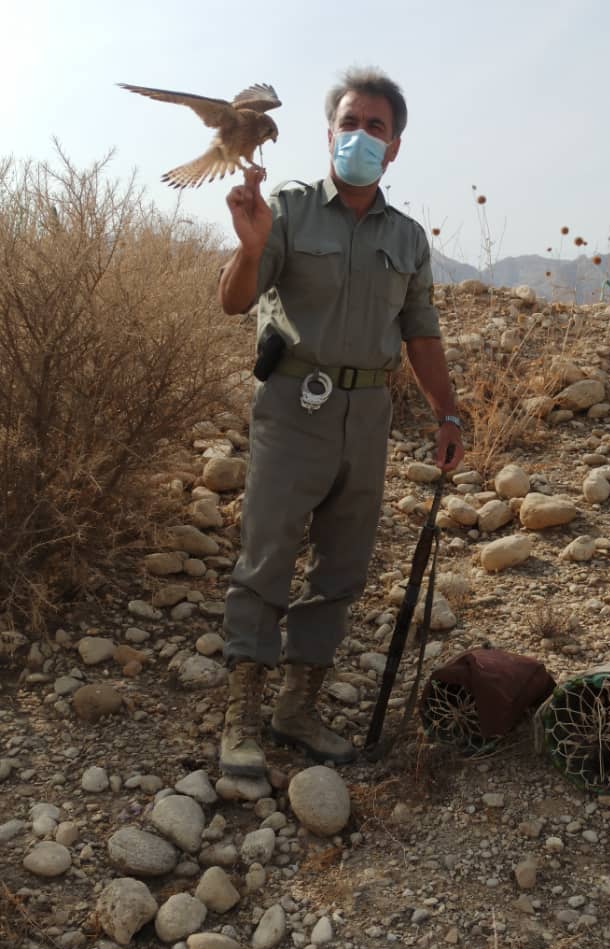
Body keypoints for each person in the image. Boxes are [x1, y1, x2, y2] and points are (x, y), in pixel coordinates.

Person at [216, 66, 464, 777]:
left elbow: (421, 333)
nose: (360, 136)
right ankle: (243, 718)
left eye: (376, 128)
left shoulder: (410, 239)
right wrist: (250, 245)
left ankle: (298, 708)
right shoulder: (286, 210)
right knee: (265, 558)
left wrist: (447, 412)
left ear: (394, 149)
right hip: (295, 406)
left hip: (369, 414)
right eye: (350, 123)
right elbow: (235, 303)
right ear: (329, 133)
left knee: (342, 567)